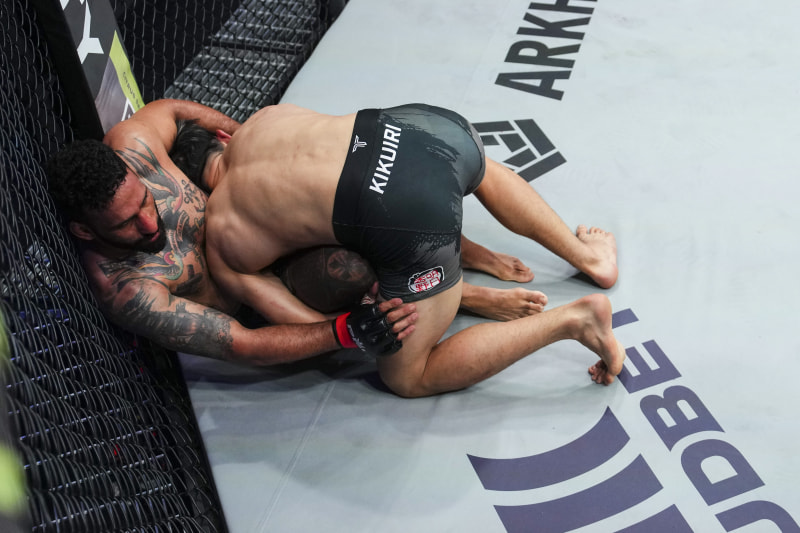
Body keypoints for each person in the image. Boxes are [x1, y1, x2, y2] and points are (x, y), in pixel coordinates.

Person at [45, 100, 546, 365]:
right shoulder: (129, 291)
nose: (149, 221)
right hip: (265, 285)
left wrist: (242, 140)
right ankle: (460, 292)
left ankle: (459, 267)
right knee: (348, 271)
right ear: (84, 231)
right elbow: (240, 344)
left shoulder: (134, 144)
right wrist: (342, 332)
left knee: (337, 197)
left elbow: (174, 110)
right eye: (127, 224)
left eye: (143, 202)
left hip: (255, 226)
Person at [181, 99, 624, 397]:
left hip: (407, 219)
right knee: (471, 166)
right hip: (426, 127)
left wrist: (358, 331)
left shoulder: (222, 231)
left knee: (408, 377)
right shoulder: (265, 117)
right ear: (221, 137)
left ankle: (573, 321)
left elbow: (309, 329)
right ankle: (590, 257)